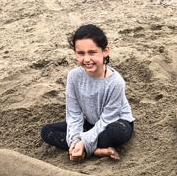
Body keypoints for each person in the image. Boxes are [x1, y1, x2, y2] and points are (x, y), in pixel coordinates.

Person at [40, 24, 135, 161]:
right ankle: (97, 151)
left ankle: (86, 148)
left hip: (114, 122)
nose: (86, 59)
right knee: (47, 131)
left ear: (105, 51)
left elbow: (108, 118)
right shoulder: (73, 76)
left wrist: (83, 142)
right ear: (75, 53)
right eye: (81, 53)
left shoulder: (116, 82)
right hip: (88, 123)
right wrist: (75, 141)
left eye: (92, 52)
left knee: (115, 133)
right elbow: (73, 114)